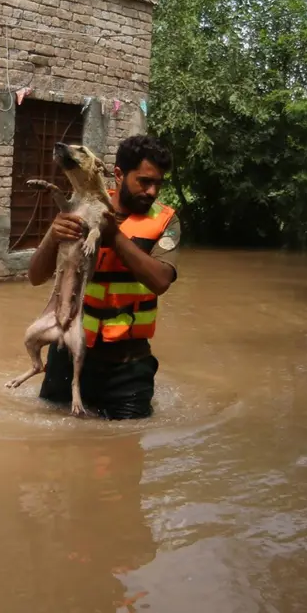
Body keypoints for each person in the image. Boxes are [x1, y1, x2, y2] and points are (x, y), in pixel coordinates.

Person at [26, 135, 181, 420]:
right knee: (52, 454)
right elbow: (35, 276)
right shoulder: (83, 206)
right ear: (119, 175)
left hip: (128, 368)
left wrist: (114, 237)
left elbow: (160, 281)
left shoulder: (166, 220)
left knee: (123, 454)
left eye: (158, 183)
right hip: (68, 357)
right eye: (144, 181)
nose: (152, 191)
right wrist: (52, 235)